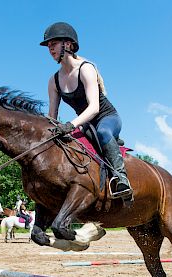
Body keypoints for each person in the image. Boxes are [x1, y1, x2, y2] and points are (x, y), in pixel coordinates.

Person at [40, 22, 132, 200]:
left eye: (53, 44)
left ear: (68, 45)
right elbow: (52, 115)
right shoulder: (53, 81)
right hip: (85, 124)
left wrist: (70, 124)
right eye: (48, 46)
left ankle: (121, 178)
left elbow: (94, 108)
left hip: (106, 118)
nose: (50, 50)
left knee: (103, 131)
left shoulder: (85, 68)